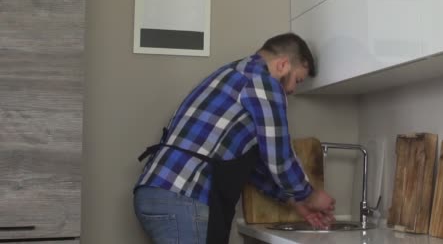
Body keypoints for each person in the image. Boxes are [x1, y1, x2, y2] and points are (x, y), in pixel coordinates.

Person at [134, 33, 336, 244]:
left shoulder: (235, 75)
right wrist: (311, 196)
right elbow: (279, 158)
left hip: (161, 189)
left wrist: (294, 200)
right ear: (283, 64)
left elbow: (253, 167)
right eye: (298, 80)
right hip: (185, 196)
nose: (293, 89)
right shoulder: (263, 81)